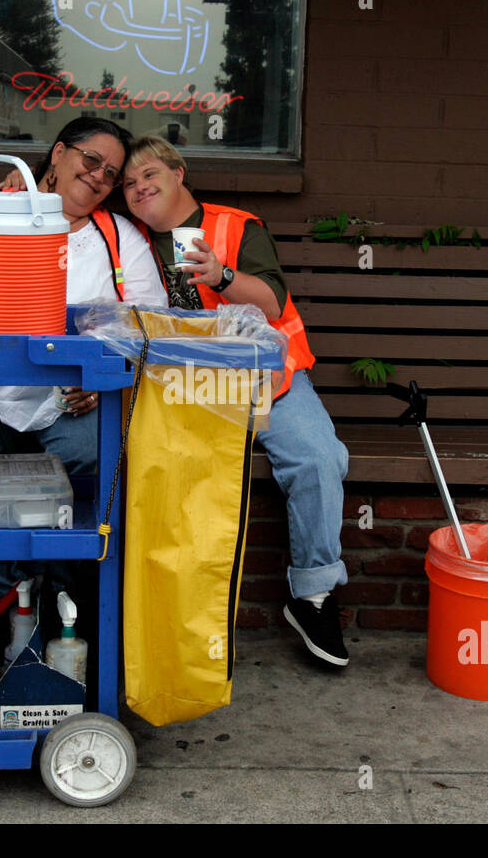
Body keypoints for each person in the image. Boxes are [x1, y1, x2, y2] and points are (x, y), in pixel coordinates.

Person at [122, 135, 352, 668]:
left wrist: (221, 276)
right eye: (130, 184)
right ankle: (172, 619)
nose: (139, 189)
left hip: (264, 381)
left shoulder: (234, 226)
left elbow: (272, 302)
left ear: (179, 173)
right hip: (182, 390)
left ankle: (313, 595)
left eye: (150, 175)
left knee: (319, 459)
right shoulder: (126, 237)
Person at [0, 116, 166, 609]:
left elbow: (148, 324)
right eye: (90, 160)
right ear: (58, 153)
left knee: (95, 457)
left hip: (68, 404)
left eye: (111, 173)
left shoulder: (119, 238)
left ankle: (57, 600)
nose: (98, 176)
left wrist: (102, 379)